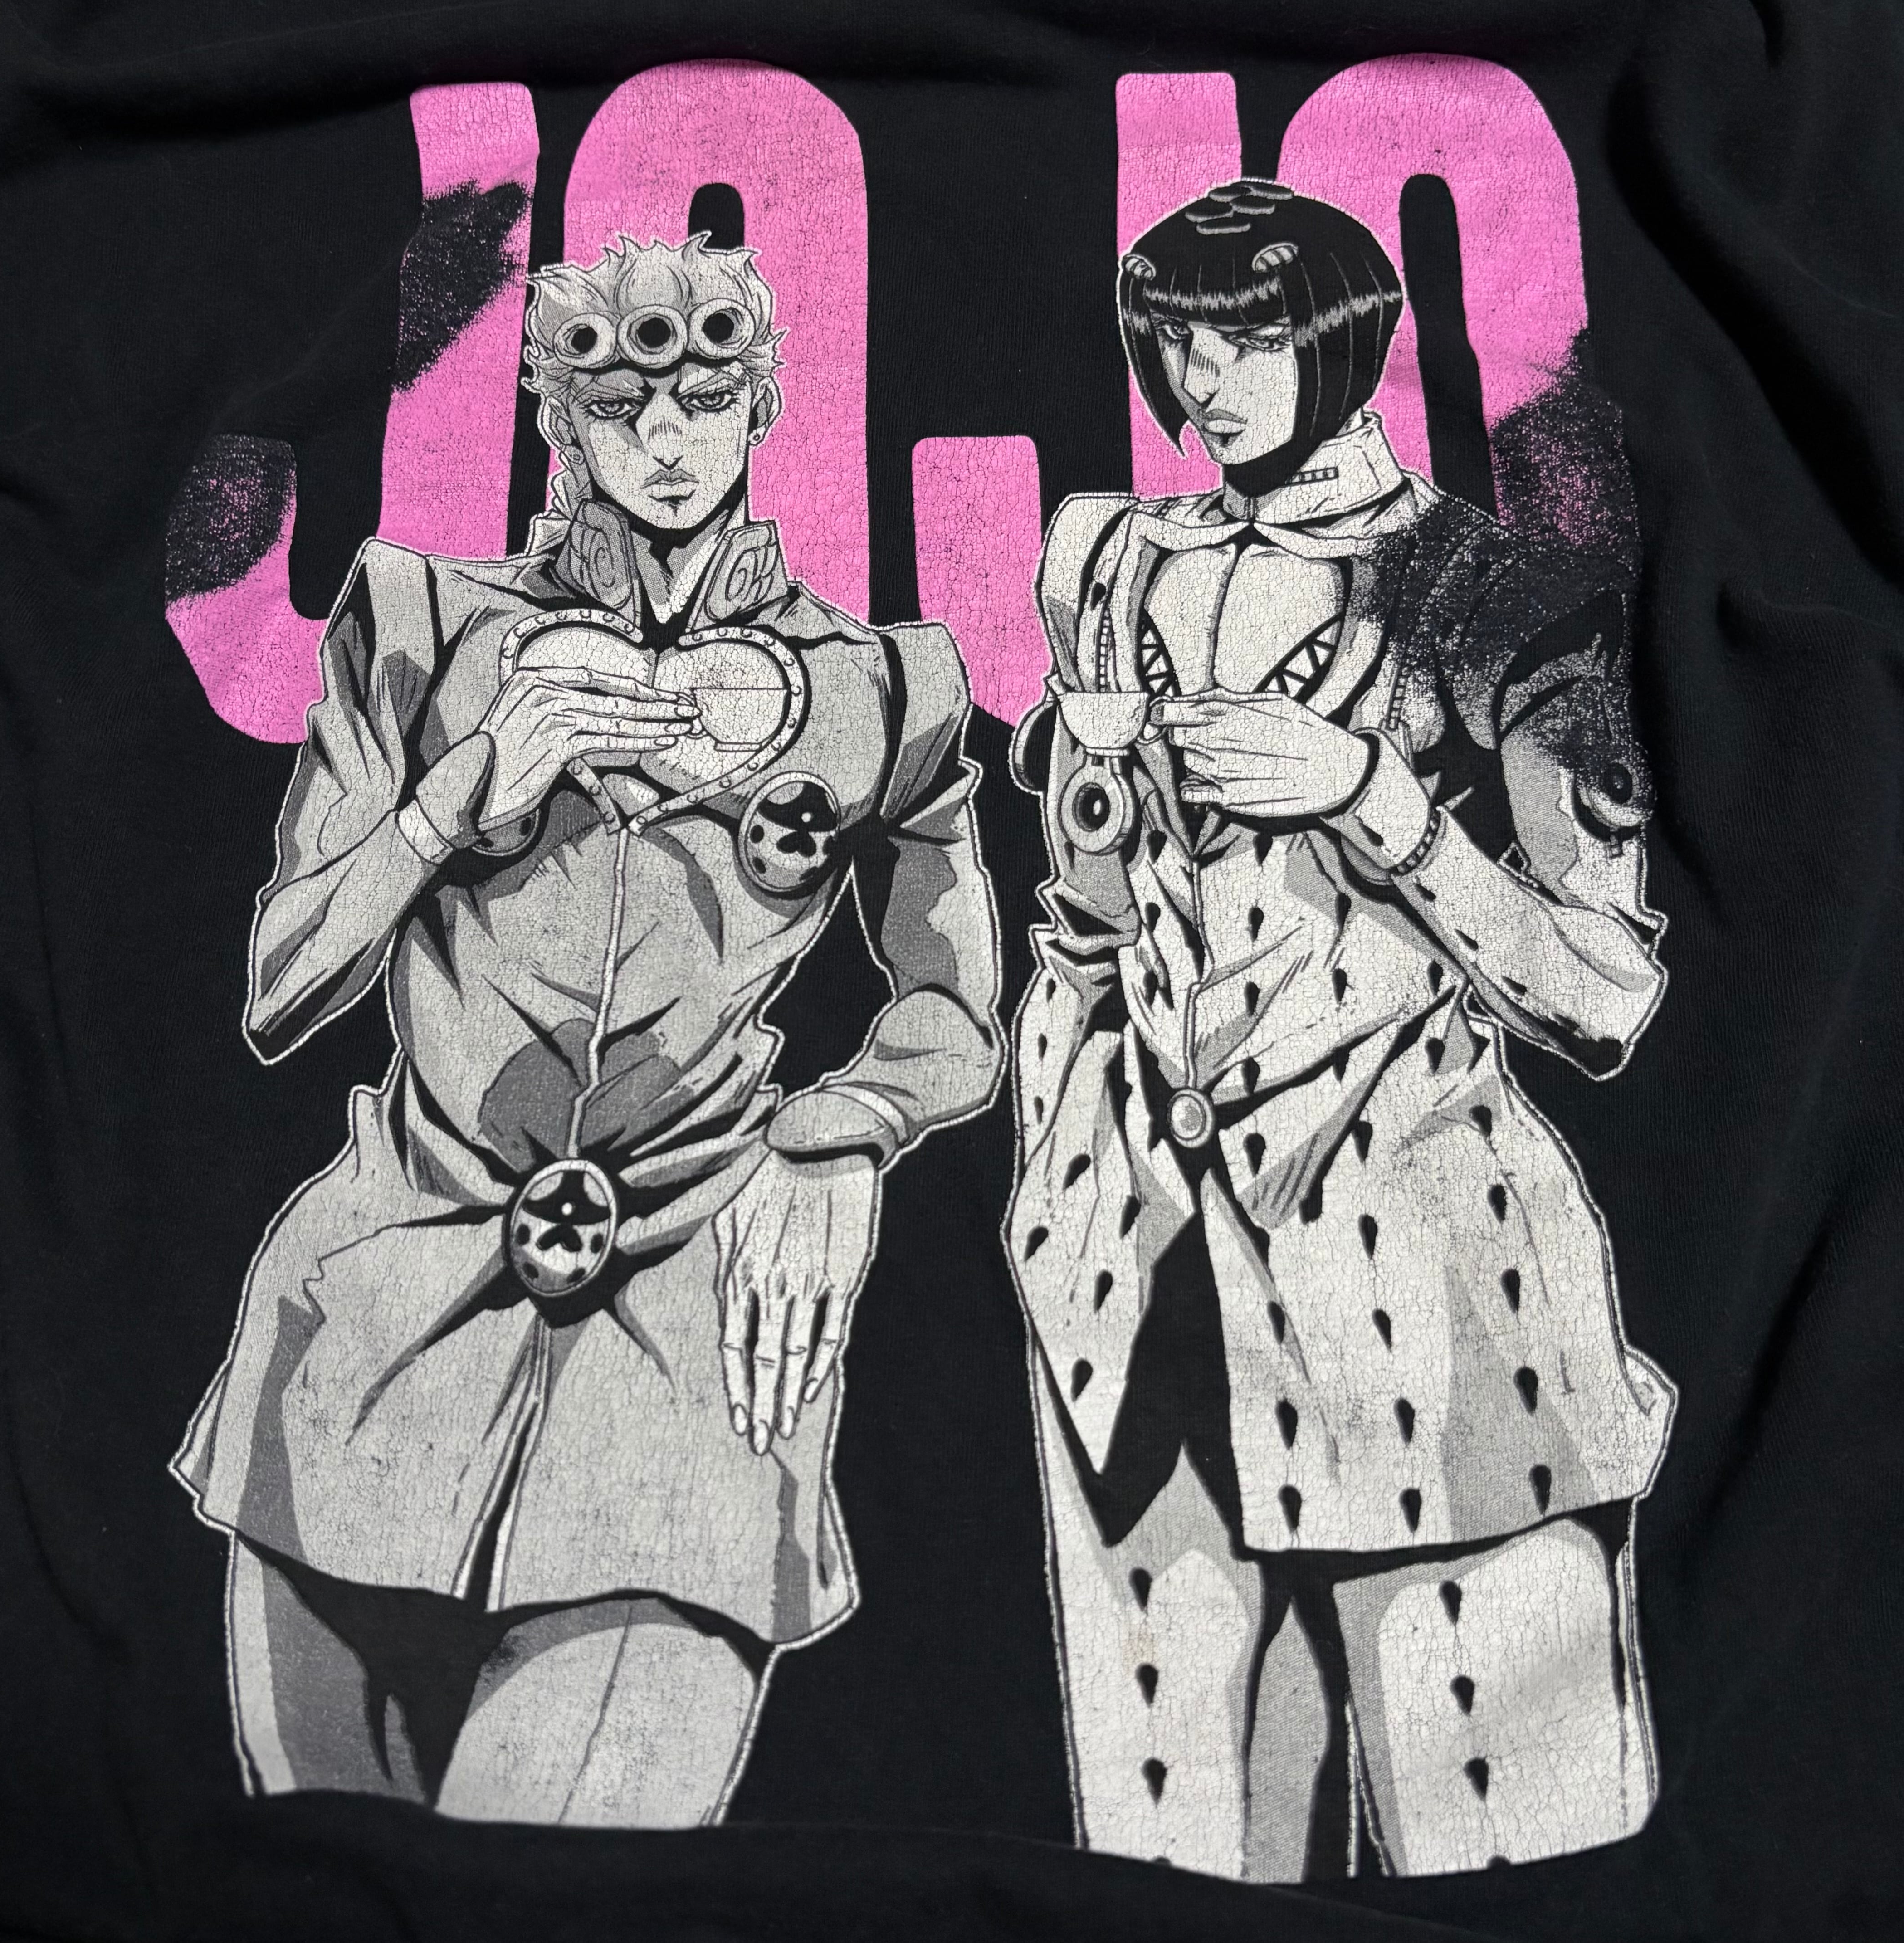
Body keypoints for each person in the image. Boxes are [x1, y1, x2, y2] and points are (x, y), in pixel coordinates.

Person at [173, 234, 1004, 1827]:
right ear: (562, 420)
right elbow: (278, 984)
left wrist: (841, 1135)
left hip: (695, 1360)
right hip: (366, 1338)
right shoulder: (416, 617)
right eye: (621, 407)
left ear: (762, 405)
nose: (667, 439)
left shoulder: (888, 686)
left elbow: (956, 1004)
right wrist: (456, 792)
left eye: (704, 399)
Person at [1005, 179, 1674, 1881]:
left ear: (1348, 341)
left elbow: (1605, 990)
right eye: (1175, 344)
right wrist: (1051, 1156)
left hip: (1434, 1312)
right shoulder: (1100, 558)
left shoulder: (1499, 596)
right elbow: (1083, 915)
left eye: (1245, 340)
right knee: (1156, 1881)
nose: (1203, 382)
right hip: (1133, 1319)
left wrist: (1376, 799)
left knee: (1518, 1866)